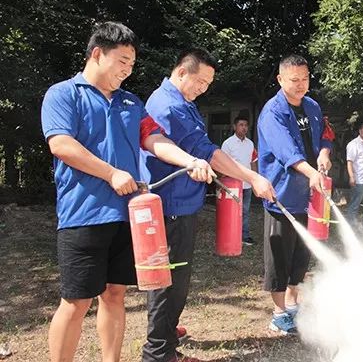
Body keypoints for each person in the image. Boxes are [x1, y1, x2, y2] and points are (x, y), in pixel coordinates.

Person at [41, 22, 213, 362]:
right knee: (76, 301)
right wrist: (111, 173)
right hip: (83, 214)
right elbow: (61, 144)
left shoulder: (130, 102)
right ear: (96, 54)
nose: (128, 69)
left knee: (115, 293)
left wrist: (190, 159)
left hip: (127, 214)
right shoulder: (63, 94)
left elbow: (154, 139)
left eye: (132, 64)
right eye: (122, 60)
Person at [141, 48, 275, 362]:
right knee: (167, 282)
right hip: (168, 205)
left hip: (182, 203)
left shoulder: (184, 104)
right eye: (200, 80)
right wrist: (251, 178)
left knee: (179, 278)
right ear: (181, 72)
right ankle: (157, 354)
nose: (203, 87)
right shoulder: (168, 105)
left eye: (208, 83)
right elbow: (208, 152)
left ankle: (167, 334)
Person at [257, 54, 333, 335]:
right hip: (282, 194)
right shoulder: (272, 112)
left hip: (309, 197)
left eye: (305, 78)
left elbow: (325, 136)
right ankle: (278, 313)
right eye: (294, 80)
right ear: (280, 79)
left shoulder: (312, 106)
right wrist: (312, 173)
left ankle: (292, 303)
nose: (301, 85)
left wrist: (324, 154)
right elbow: (286, 150)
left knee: (302, 254)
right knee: (280, 253)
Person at [221, 115, 259, 245]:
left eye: (246, 125)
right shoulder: (227, 143)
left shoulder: (250, 144)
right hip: (232, 184)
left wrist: (255, 179)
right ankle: (230, 235)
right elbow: (222, 163)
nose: (244, 128)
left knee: (245, 211)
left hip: (247, 184)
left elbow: (253, 162)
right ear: (234, 127)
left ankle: (244, 236)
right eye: (241, 125)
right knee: (230, 211)